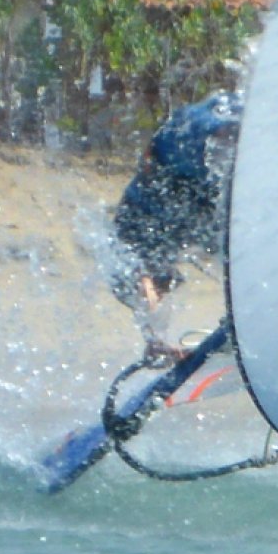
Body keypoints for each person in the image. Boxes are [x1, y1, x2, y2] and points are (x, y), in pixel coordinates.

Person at [110, 91, 242, 358]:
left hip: (176, 178)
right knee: (233, 252)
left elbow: (145, 283)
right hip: (185, 178)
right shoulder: (163, 227)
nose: (171, 284)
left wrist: (156, 342)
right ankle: (241, 323)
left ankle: (239, 324)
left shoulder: (139, 229)